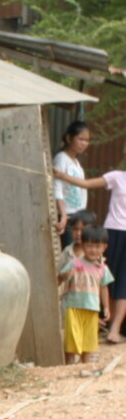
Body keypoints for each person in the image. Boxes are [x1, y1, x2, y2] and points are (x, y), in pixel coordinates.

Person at [53, 160, 126, 343]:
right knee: (104, 277)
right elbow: (87, 183)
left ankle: (114, 329)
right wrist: (62, 176)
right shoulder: (117, 177)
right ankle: (103, 323)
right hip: (113, 233)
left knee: (125, 282)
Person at [59, 225, 114, 364]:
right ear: (83, 246)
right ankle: (69, 365)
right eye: (89, 246)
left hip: (92, 309)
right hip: (74, 307)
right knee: (71, 340)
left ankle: (85, 365)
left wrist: (106, 307)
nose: (93, 250)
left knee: (88, 341)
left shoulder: (103, 268)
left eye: (97, 246)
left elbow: (103, 287)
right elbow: (58, 279)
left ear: (104, 247)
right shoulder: (75, 263)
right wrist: (66, 274)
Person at [53, 120, 91, 248]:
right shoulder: (61, 158)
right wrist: (63, 215)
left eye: (87, 140)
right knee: (69, 255)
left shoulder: (76, 162)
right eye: (81, 139)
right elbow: (57, 189)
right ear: (69, 138)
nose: (84, 143)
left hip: (78, 217)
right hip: (67, 217)